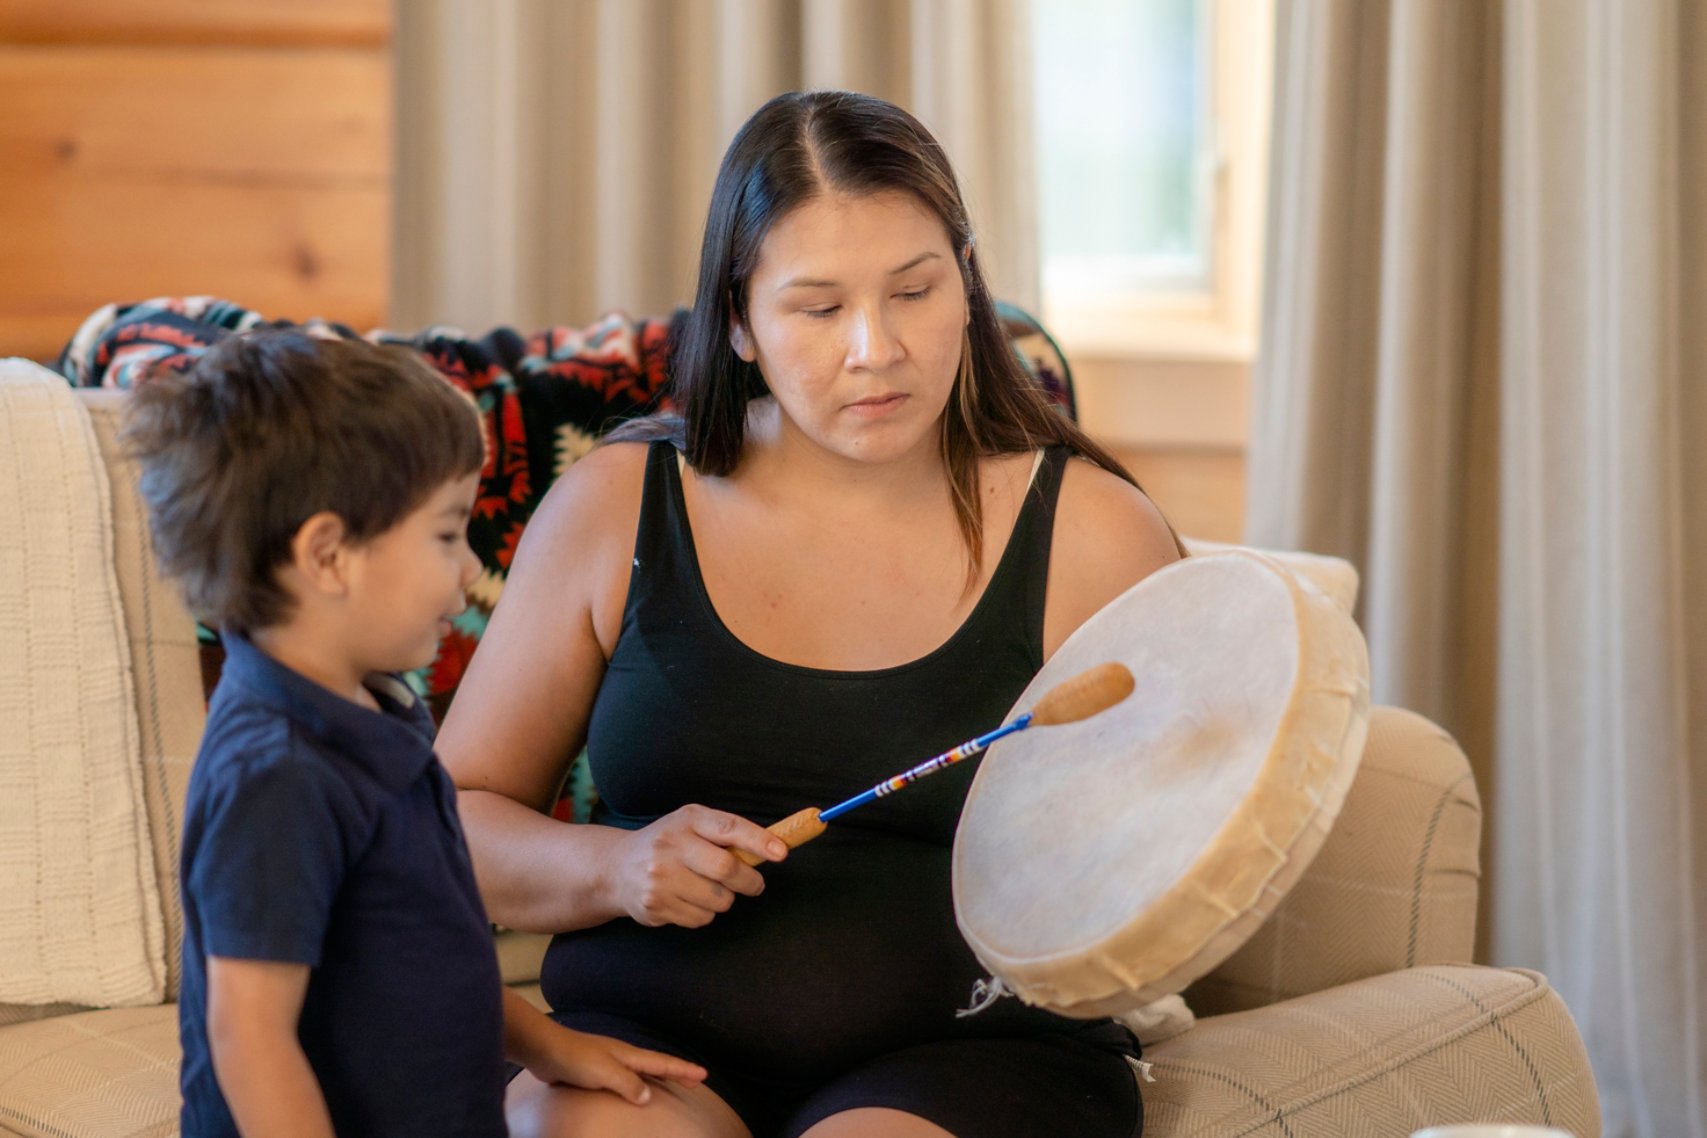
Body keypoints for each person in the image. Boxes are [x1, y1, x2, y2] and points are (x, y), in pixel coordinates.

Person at [438, 90, 1182, 1138]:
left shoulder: (1094, 531)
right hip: (646, 1044)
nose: (875, 348)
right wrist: (615, 866)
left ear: (967, 286)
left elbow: (1184, 839)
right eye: (819, 309)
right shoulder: (618, 504)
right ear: (737, 319)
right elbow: (443, 824)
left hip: (977, 1049)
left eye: (915, 291)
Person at [124, 330, 705, 1138]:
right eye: (444, 535)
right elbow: (249, 1038)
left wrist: (552, 1047)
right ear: (328, 555)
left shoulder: (380, 714)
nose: (470, 569)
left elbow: (428, 946)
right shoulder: (275, 776)